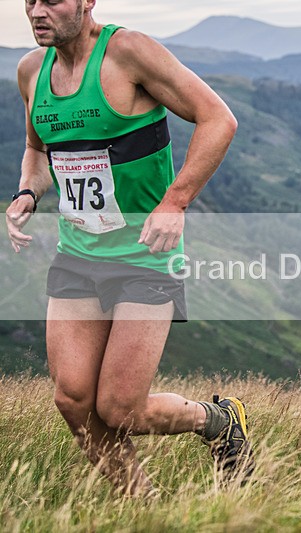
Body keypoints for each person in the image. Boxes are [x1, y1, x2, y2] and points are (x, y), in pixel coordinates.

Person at [5, 0, 252, 495]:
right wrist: (28, 192)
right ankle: (142, 504)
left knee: (120, 409)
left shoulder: (129, 53)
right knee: (73, 401)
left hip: (144, 256)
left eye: (51, 0)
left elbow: (218, 119)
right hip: (78, 256)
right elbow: (38, 148)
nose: (36, 10)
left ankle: (218, 421)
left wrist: (175, 202)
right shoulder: (32, 70)